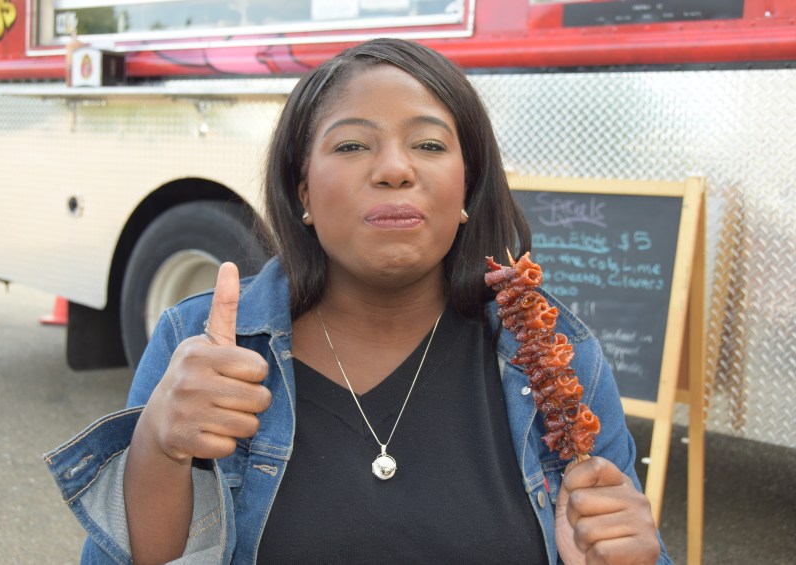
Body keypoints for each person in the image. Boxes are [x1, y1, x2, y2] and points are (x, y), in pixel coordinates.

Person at [45, 38, 671, 565]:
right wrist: (159, 448)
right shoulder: (200, 347)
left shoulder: (558, 357)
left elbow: (625, 544)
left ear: (466, 190)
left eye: (429, 145)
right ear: (303, 194)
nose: (395, 169)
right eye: (351, 146)